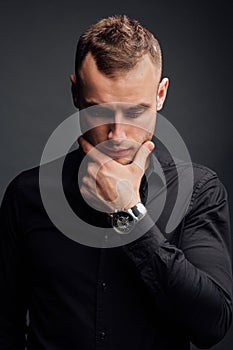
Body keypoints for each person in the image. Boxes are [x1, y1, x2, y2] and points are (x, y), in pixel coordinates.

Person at [0, 15, 232, 350]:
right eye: (100, 111)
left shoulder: (199, 191)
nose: (117, 135)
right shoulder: (27, 196)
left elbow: (212, 326)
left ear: (160, 94)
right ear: (76, 94)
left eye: (135, 113)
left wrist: (130, 214)